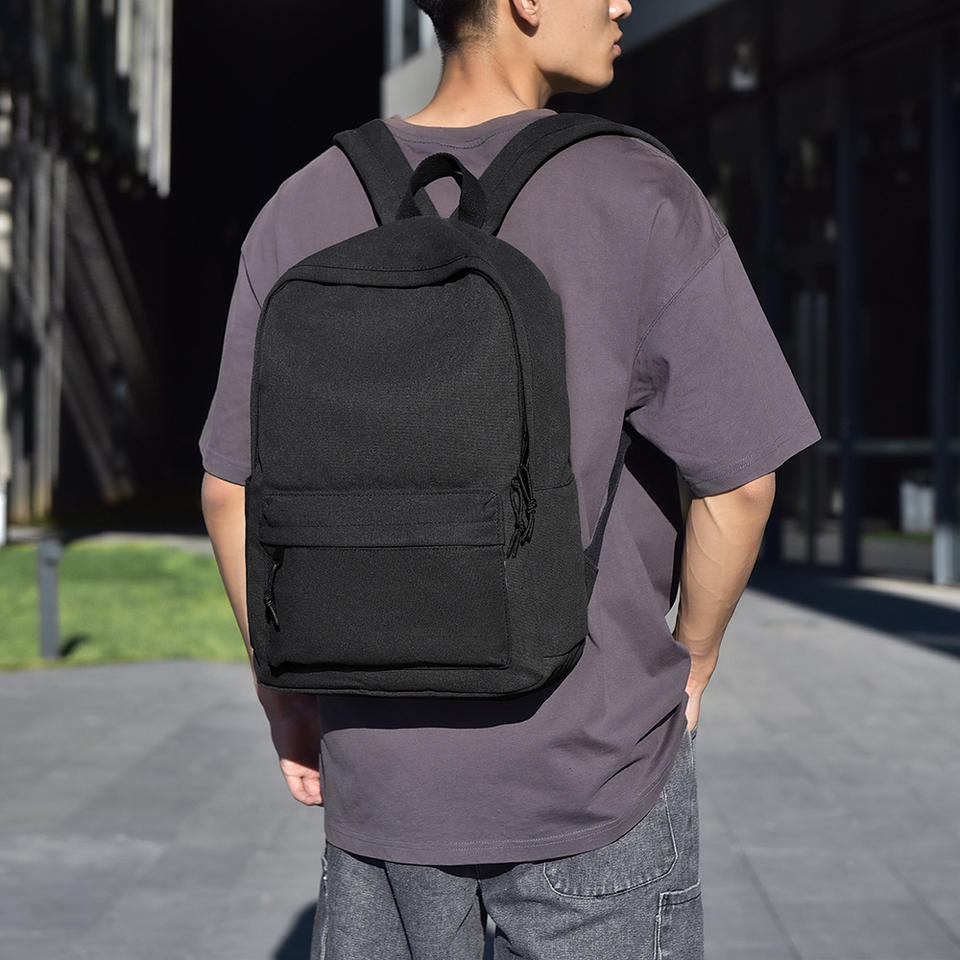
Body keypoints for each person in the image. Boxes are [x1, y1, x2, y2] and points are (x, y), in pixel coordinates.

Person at [198, 0, 822, 956]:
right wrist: (691, 662)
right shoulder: (640, 192)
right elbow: (739, 484)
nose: (623, 3)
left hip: (382, 781)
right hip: (594, 773)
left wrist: (282, 694)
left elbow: (229, 491)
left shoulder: (304, 203)